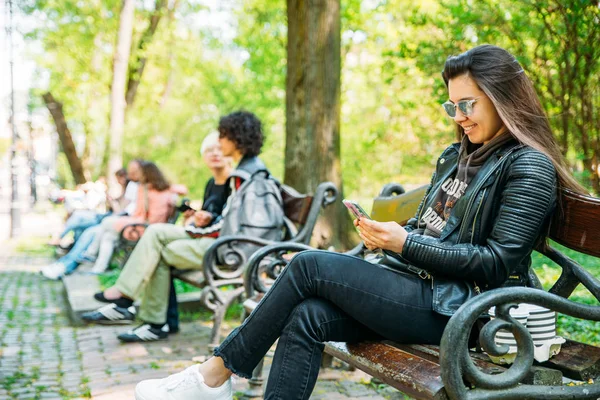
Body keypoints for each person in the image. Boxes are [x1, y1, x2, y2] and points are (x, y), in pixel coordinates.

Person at [133, 45, 586, 400]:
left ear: (502, 98)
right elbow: (436, 226)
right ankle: (216, 377)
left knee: (308, 266)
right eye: (452, 107)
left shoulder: (528, 165)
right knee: (307, 316)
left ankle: (215, 374)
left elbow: (496, 262)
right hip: (423, 287)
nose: (459, 117)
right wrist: (391, 236)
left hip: (467, 308)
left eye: (467, 104)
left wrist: (404, 244)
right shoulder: (458, 156)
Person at [82, 111, 269, 342]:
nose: (219, 143)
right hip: (226, 245)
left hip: (230, 252)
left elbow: (237, 228)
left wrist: (196, 229)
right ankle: (132, 306)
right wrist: (199, 225)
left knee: (158, 249)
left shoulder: (246, 176)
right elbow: (230, 221)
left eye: (222, 136)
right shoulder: (248, 171)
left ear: (235, 137)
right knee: (156, 232)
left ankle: (144, 315)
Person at [40, 160, 143, 280]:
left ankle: (64, 264)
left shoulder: (135, 188)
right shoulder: (132, 188)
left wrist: (112, 202)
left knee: (87, 231)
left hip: (117, 222)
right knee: (80, 223)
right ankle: (64, 262)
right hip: (113, 220)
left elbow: (122, 211)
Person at [82, 161, 180, 274]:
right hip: (150, 226)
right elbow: (181, 190)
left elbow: (140, 214)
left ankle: (91, 254)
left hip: (142, 228)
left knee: (106, 222)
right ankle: (97, 266)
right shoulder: (167, 189)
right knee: (108, 236)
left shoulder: (145, 189)